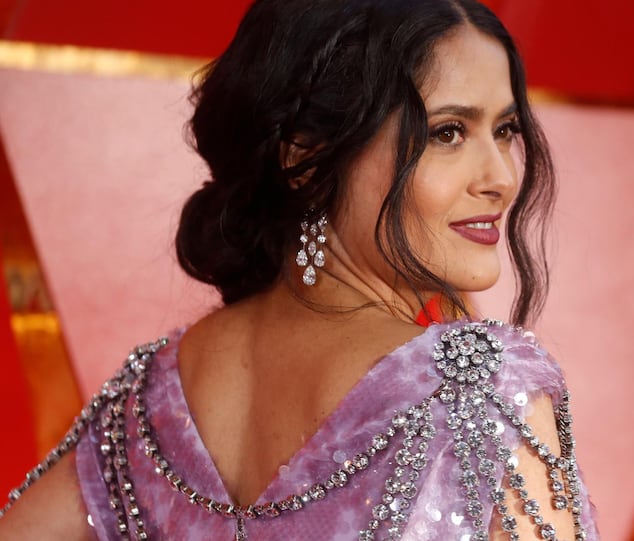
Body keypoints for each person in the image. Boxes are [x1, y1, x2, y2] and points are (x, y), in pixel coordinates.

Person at [0, 0, 599, 539]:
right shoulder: (480, 388)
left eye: (505, 131)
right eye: (448, 132)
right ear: (306, 158)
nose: (499, 177)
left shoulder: (149, 396)